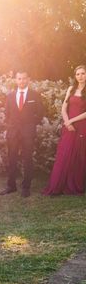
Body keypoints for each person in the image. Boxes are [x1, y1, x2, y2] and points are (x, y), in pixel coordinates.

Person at [0, 71, 45, 197]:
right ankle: (11, 186)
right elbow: (7, 114)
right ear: (16, 80)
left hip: (28, 132)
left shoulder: (35, 95)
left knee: (27, 159)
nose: (22, 81)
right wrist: (11, 126)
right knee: (11, 158)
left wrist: (30, 124)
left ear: (28, 79)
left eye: (24, 78)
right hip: (13, 132)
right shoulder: (10, 96)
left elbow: (41, 113)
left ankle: (26, 187)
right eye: (19, 78)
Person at [43, 65, 86, 195]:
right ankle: (59, 184)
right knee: (65, 153)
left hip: (82, 126)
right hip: (68, 126)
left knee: (78, 155)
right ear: (75, 76)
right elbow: (64, 107)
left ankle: (74, 184)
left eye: (83, 73)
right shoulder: (71, 89)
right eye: (78, 74)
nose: (80, 76)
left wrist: (71, 121)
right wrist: (67, 122)